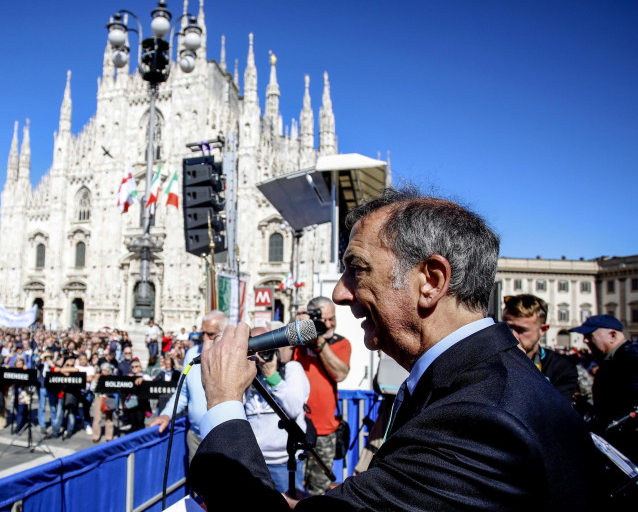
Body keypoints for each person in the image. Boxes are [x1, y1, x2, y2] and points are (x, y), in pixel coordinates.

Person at [190, 187, 595, 510]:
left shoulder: (481, 418)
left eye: (357, 268)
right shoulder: (474, 381)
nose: (339, 293)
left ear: (431, 281)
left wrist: (224, 402)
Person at [150, 310, 227, 464]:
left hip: (225, 439)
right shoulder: (192, 354)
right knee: (199, 486)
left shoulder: (232, 357)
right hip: (196, 437)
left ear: (223, 333)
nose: (204, 338)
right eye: (202, 333)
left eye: (210, 334)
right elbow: (183, 393)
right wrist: (166, 414)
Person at [293, 296, 351, 495]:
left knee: (319, 491)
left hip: (325, 431)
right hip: (295, 429)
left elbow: (340, 373)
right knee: (291, 489)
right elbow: (282, 357)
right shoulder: (298, 342)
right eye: (322, 319)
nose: (328, 324)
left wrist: (318, 341)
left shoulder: (340, 343)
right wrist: (294, 327)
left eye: (331, 319)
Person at [244, 326, 310, 494]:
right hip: (254, 463)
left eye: (265, 349)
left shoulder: (291, 369)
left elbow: (294, 409)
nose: (260, 356)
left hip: (284, 462)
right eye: (254, 349)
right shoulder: (249, 376)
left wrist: (272, 377)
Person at [570, 314, 638, 460]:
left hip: (627, 448)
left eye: (590, 335)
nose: (585, 340)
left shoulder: (629, 359)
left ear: (612, 335)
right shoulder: (614, 359)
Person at [503, 294, 578, 402]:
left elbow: (553, 412)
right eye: (507, 328)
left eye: (521, 330)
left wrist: (519, 364)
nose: (512, 336)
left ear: (543, 329)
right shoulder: (487, 362)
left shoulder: (562, 368)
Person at [90, 362, 117, 442]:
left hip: (109, 397)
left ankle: (109, 436)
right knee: (97, 418)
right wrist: (95, 380)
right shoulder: (99, 377)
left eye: (104, 370)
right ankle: (96, 435)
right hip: (99, 397)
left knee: (109, 418)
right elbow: (92, 388)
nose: (103, 372)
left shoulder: (112, 377)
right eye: (102, 370)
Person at [124, 359, 152, 432]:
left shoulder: (145, 376)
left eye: (136, 366)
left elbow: (151, 381)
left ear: (140, 368)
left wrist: (142, 379)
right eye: (132, 367)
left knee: (140, 423)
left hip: (141, 403)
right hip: (131, 402)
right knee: (132, 423)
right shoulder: (130, 376)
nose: (134, 368)